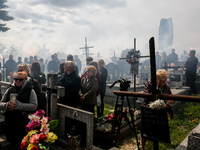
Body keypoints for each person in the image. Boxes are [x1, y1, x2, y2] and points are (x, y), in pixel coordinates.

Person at [0, 71, 37, 146]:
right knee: (11, 141)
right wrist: (7, 105)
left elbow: (34, 105)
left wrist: (19, 105)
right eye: (16, 79)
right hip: (10, 121)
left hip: (23, 122)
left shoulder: (30, 90)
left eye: (20, 80)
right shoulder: (9, 89)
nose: (17, 81)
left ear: (25, 80)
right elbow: (1, 103)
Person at [141, 69, 174, 150]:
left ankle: (155, 146)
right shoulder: (150, 84)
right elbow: (145, 96)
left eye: (165, 81)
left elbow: (171, 98)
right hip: (148, 109)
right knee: (145, 129)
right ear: (157, 80)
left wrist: (170, 101)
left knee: (156, 131)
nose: (164, 83)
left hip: (159, 112)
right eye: (162, 81)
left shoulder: (166, 86)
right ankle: (143, 148)